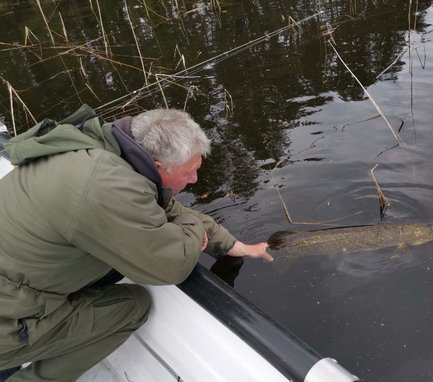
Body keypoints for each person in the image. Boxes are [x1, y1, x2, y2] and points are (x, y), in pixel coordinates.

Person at [0, 105, 272, 382]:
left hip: (13, 283)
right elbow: (172, 266)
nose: (194, 180)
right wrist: (192, 229)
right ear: (158, 166)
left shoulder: (97, 152)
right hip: (9, 322)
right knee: (133, 307)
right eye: (190, 172)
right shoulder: (106, 188)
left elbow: (158, 203)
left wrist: (230, 244)